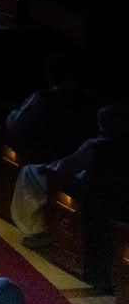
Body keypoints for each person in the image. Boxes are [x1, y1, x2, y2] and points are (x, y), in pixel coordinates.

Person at [12, 104, 126, 244]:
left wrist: (50, 169)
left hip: (93, 195)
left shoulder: (97, 146)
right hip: (112, 198)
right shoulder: (120, 146)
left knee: (33, 173)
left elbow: (68, 166)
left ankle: (39, 229)